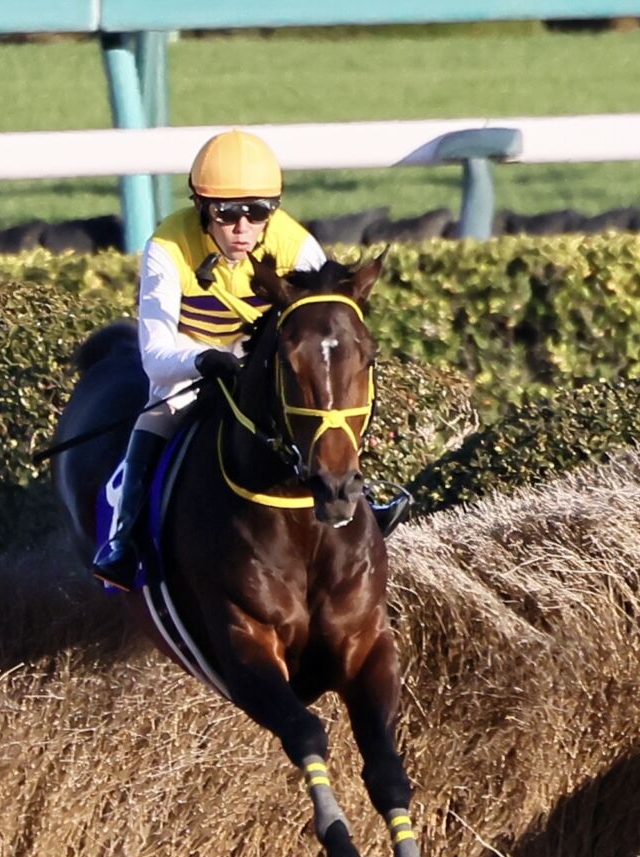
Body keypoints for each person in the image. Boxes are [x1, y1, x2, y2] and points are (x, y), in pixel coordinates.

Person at [92, 129, 408, 592]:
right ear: (201, 208)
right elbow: (154, 356)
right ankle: (124, 539)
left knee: (327, 412)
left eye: (258, 213)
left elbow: (327, 327)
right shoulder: (168, 246)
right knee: (156, 418)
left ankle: (364, 497)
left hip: (266, 370)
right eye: (227, 214)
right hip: (189, 367)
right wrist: (206, 360)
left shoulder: (294, 243)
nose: (243, 229)